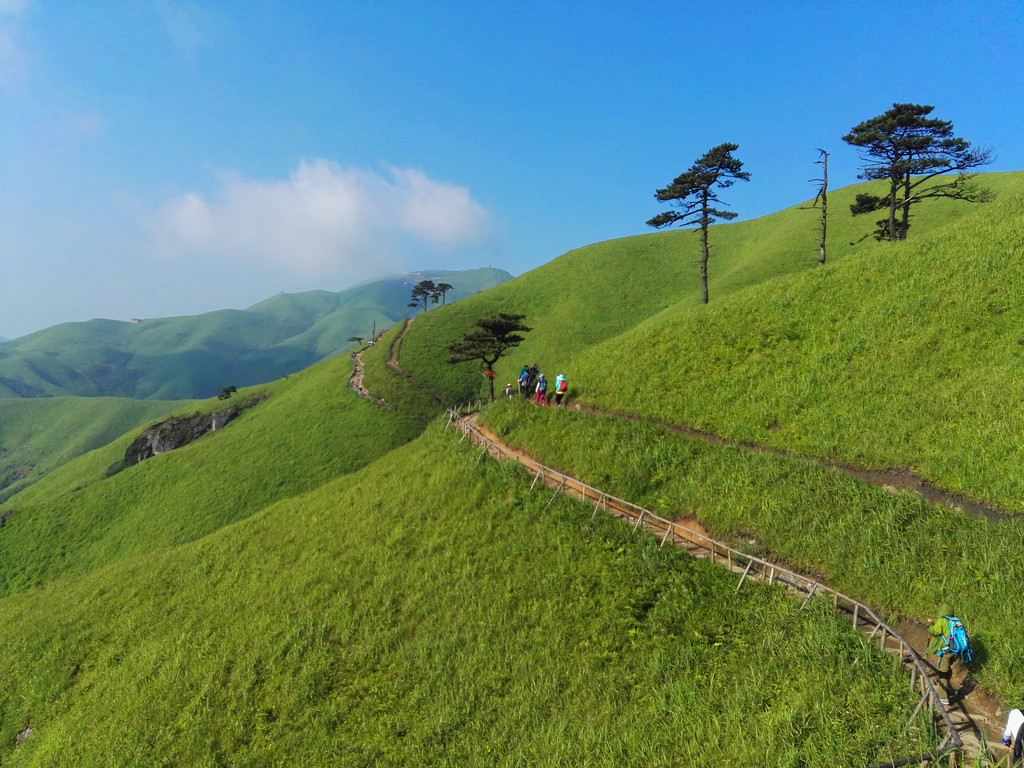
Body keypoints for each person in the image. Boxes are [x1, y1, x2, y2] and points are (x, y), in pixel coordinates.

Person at [926, 602, 958, 705]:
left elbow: (935, 631)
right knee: (948, 670)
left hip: (946, 651)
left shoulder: (942, 620)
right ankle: (947, 689)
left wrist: (929, 624)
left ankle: (943, 697)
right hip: (955, 651)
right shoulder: (955, 620)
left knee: (943, 672)